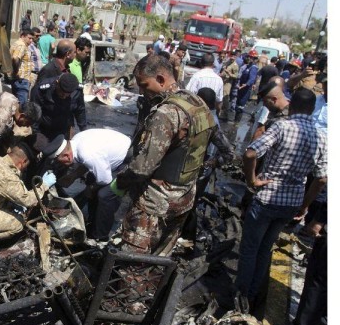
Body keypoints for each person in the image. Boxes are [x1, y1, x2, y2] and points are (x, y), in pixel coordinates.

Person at [115, 55, 226, 255]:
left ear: (160, 79)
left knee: (132, 262)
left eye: (144, 85)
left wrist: (120, 182)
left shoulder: (166, 113)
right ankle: (154, 287)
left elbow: (142, 167)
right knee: (161, 256)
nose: (142, 91)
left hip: (155, 203)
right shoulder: (198, 103)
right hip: (184, 198)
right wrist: (205, 165)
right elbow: (225, 147)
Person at [235, 88, 327, 307]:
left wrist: (252, 180)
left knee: (250, 248)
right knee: (266, 247)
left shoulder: (281, 126)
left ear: (291, 105)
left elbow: (250, 153)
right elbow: (322, 178)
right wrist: (304, 206)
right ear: (313, 109)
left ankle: (241, 294)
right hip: (292, 202)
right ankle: (254, 293)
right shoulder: (321, 137)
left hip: (267, 197)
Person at [46, 130, 131, 243]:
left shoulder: (87, 154)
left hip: (128, 158)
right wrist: (73, 176)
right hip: (113, 153)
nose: (61, 164)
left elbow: (105, 179)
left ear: (67, 155)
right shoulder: (75, 142)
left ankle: (101, 237)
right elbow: (88, 163)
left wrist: (90, 189)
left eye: (60, 161)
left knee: (105, 195)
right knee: (91, 180)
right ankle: (92, 222)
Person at [31, 72, 87, 140]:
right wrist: (36, 133)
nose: (64, 96)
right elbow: (34, 113)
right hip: (45, 129)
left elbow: (80, 110)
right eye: (61, 92)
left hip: (64, 129)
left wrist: (84, 131)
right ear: (57, 83)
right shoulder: (42, 89)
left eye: (68, 94)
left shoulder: (77, 90)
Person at [9, 29, 35, 104]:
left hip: (19, 78)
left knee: (16, 103)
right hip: (21, 79)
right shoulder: (21, 45)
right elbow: (15, 58)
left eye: (32, 39)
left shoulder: (17, 43)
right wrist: (16, 71)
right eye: (29, 38)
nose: (31, 41)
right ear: (23, 36)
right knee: (22, 104)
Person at [234, 50, 259, 122]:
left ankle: (237, 122)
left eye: (252, 58)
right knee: (237, 104)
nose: (249, 59)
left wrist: (246, 84)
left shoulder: (253, 67)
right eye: (249, 57)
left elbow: (252, 79)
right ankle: (236, 120)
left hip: (246, 89)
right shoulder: (247, 66)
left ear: (255, 59)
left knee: (240, 106)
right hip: (241, 88)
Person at [220, 51, 239, 117]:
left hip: (228, 82)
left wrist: (229, 73)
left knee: (225, 97)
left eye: (234, 56)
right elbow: (222, 70)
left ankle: (225, 114)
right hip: (222, 80)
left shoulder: (235, 65)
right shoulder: (226, 62)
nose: (232, 58)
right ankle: (219, 111)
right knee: (219, 96)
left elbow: (236, 76)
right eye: (231, 56)